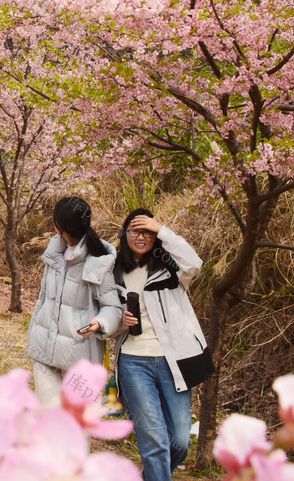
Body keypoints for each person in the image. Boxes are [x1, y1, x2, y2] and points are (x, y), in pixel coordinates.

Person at [113, 209, 213, 481]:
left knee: (180, 441)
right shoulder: (115, 271)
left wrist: (162, 229)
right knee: (154, 440)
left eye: (147, 231)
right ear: (125, 235)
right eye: (135, 230)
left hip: (174, 362)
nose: (141, 236)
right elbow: (106, 317)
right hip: (134, 361)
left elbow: (195, 263)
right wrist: (120, 320)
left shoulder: (171, 268)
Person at [26, 196, 122, 406]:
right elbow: (44, 298)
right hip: (44, 349)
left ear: (60, 226)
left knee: (76, 424)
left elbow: (113, 307)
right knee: (50, 418)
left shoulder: (97, 262)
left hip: (78, 356)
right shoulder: (53, 254)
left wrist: (101, 323)